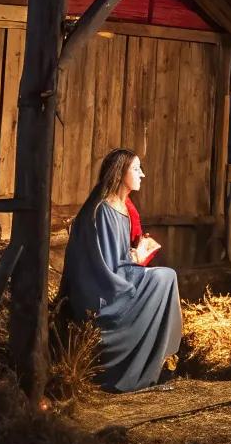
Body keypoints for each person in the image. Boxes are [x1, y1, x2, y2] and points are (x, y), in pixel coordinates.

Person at [61, 148, 181, 392]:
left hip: (120, 276)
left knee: (165, 277)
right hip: (103, 293)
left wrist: (136, 255)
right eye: (136, 169)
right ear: (119, 173)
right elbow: (106, 268)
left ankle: (155, 362)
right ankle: (144, 366)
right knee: (165, 278)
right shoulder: (103, 209)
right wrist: (137, 259)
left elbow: (117, 257)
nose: (142, 175)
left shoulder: (123, 208)